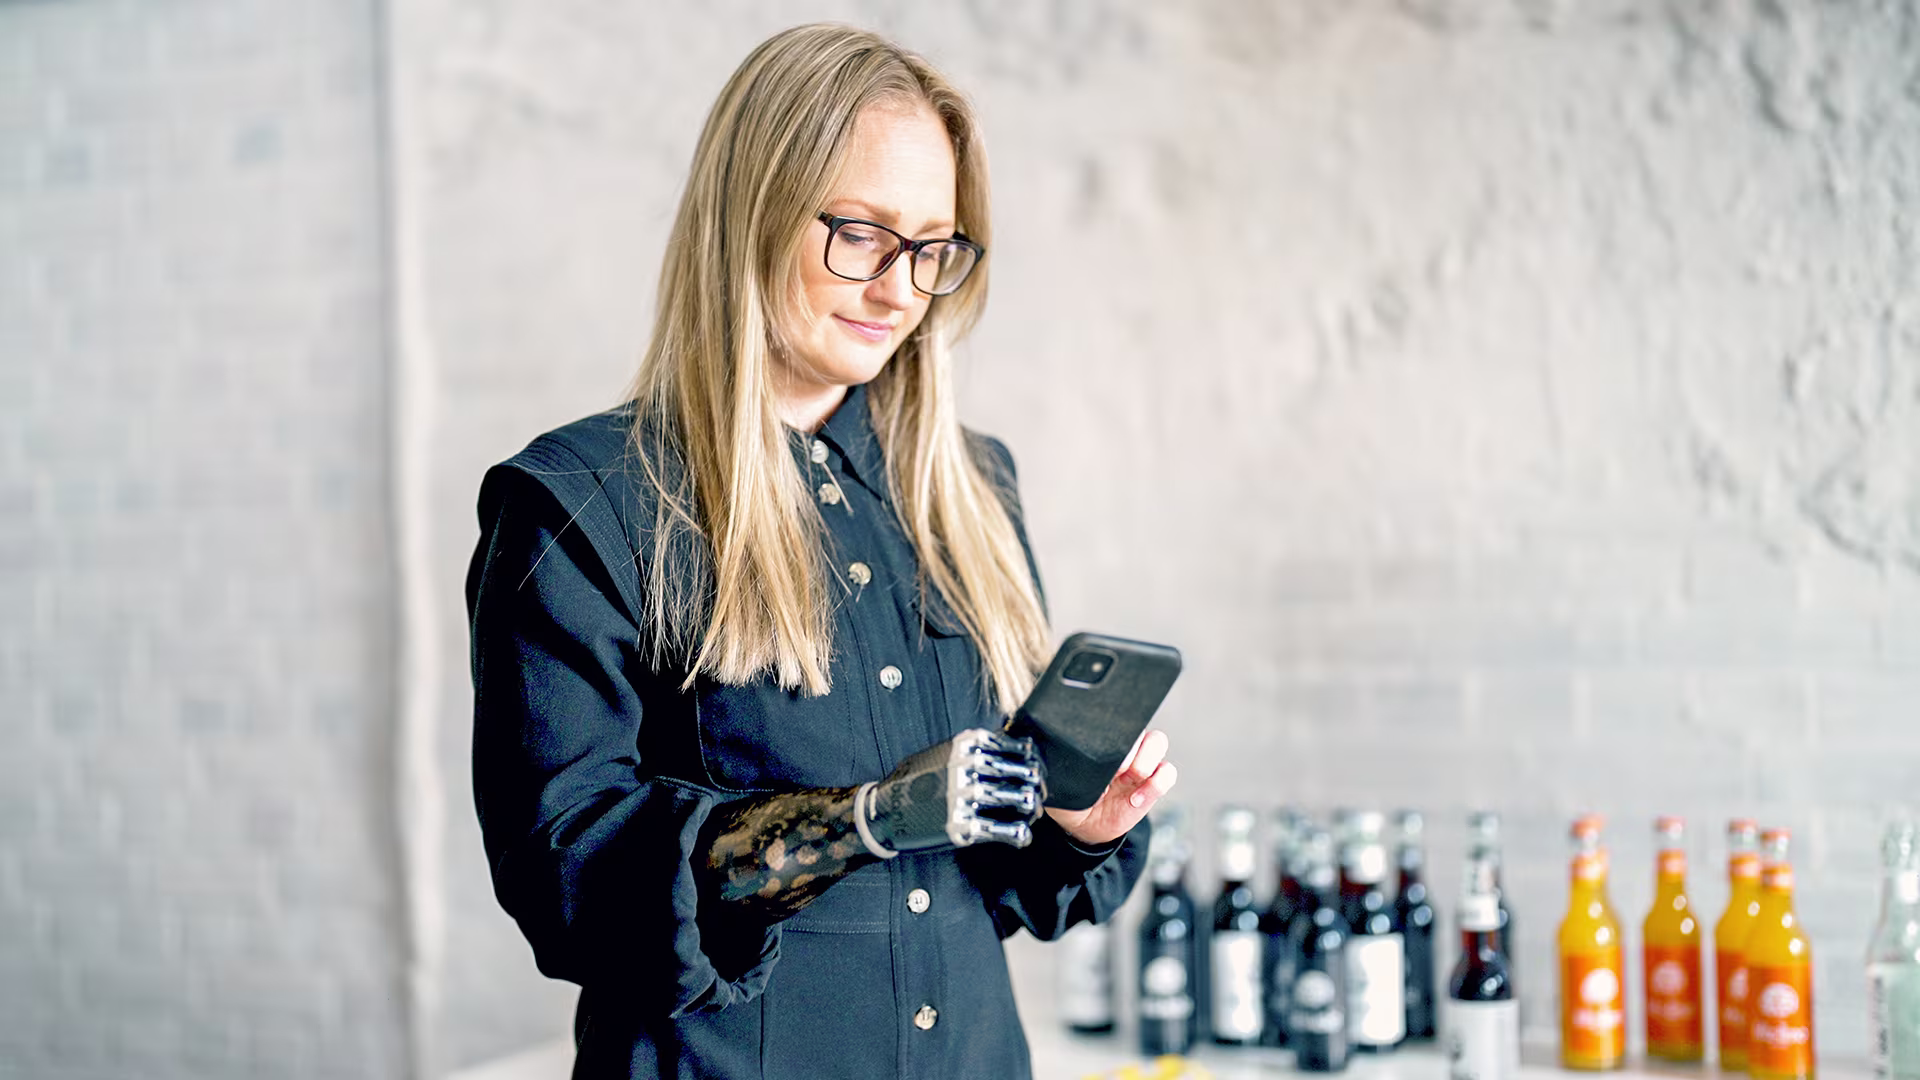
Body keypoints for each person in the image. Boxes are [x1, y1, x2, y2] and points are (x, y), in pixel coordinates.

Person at [465, 23, 1178, 1080]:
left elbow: (1017, 894)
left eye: (933, 248)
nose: (899, 289)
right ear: (751, 211)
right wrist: (862, 823)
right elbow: (565, 874)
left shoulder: (973, 489)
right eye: (862, 233)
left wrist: (1075, 823)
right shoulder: (582, 505)